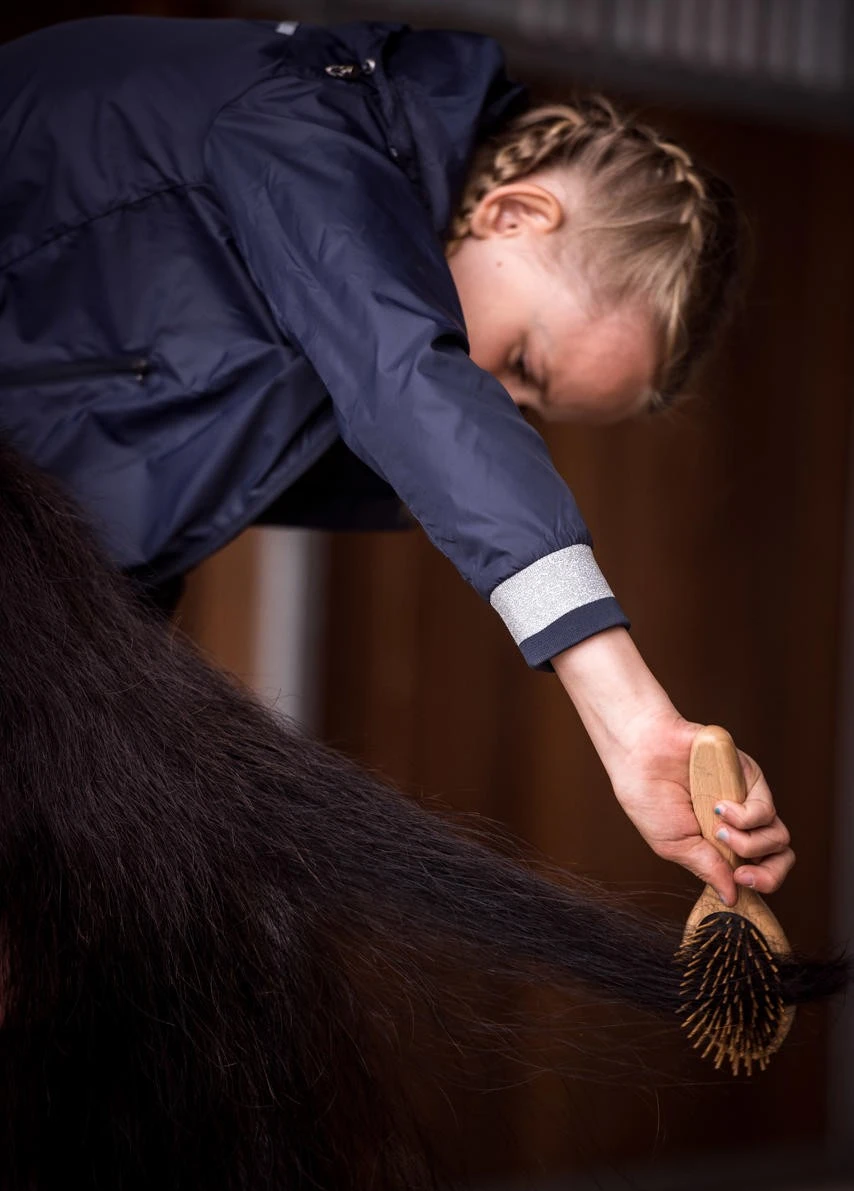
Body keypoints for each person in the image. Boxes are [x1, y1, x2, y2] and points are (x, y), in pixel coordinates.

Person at [0, 14, 793, 906]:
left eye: (532, 406)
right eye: (524, 365)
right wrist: (631, 714)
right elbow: (409, 375)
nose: (503, 409)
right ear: (513, 212)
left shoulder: (298, 347)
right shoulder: (299, 126)